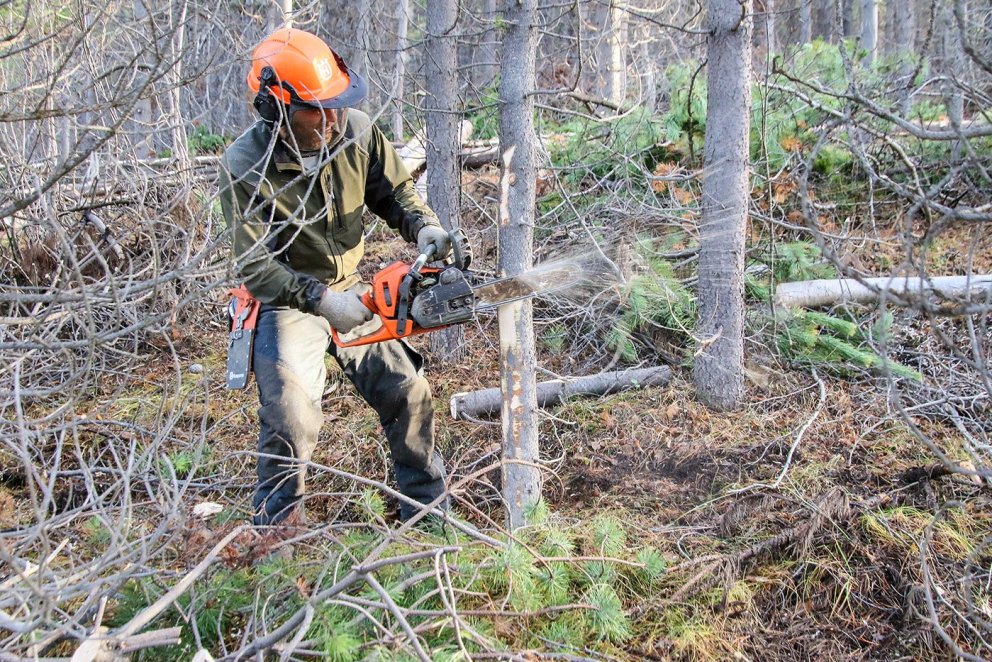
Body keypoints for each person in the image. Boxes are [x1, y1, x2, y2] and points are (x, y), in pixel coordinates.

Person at [218, 28, 452, 526]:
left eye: (337, 103)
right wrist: (322, 302)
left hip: (351, 290)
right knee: (290, 415)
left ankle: (428, 514)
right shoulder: (245, 164)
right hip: (287, 300)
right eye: (318, 109)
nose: (333, 117)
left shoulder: (356, 132)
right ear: (276, 109)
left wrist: (424, 226)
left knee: (407, 390)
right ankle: (277, 532)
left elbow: (395, 193)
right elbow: (256, 265)